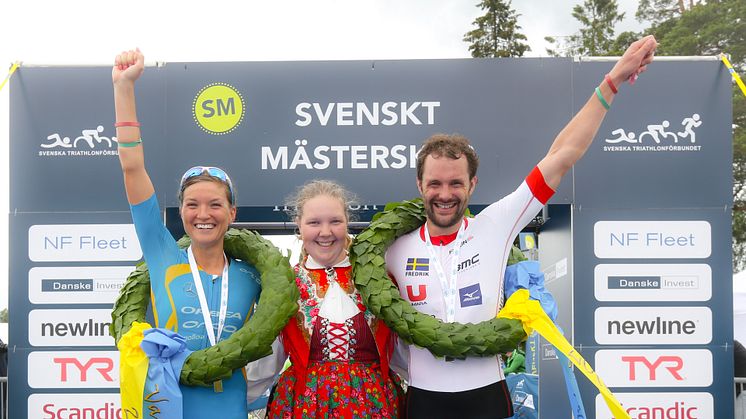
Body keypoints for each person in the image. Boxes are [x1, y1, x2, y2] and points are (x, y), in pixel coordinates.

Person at [385, 35, 658, 419]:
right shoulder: (394, 250)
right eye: (435, 183)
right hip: (424, 400)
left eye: (455, 183)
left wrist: (611, 81)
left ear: (472, 185)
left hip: (487, 398)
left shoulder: (496, 225)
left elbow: (561, 156)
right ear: (419, 185)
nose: (444, 194)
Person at [112, 49, 262, 419]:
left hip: (232, 407)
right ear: (181, 212)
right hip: (169, 407)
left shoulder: (252, 273)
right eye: (192, 205)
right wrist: (123, 87)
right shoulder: (163, 255)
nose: (203, 214)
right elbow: (132, 169)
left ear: (232, 213)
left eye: (214, 205)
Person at [266, 180, 403, 419]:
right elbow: (269, 357)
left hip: (371, 405)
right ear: (299, 225)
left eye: (335, 221)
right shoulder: (285, 284)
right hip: (305, 404)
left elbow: (403, 351)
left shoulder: (378, 277)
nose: (326, 232)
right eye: (314, 223)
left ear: (347, 223)